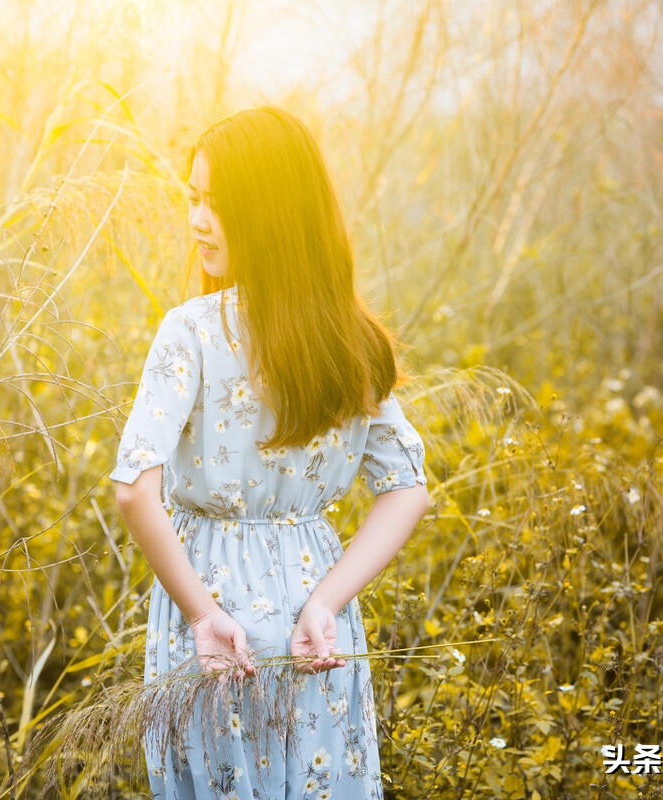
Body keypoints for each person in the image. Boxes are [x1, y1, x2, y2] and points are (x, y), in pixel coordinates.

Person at [111, 106, 431, 800]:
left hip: (214, 614)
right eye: (194, 199)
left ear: (271, 215)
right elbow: (407, 487)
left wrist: (199, 613)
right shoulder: (350, 336)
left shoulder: (192, 331)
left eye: (218, 206)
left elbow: (135, 487)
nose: (198, 220)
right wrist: (328, 600)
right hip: (317, 619)